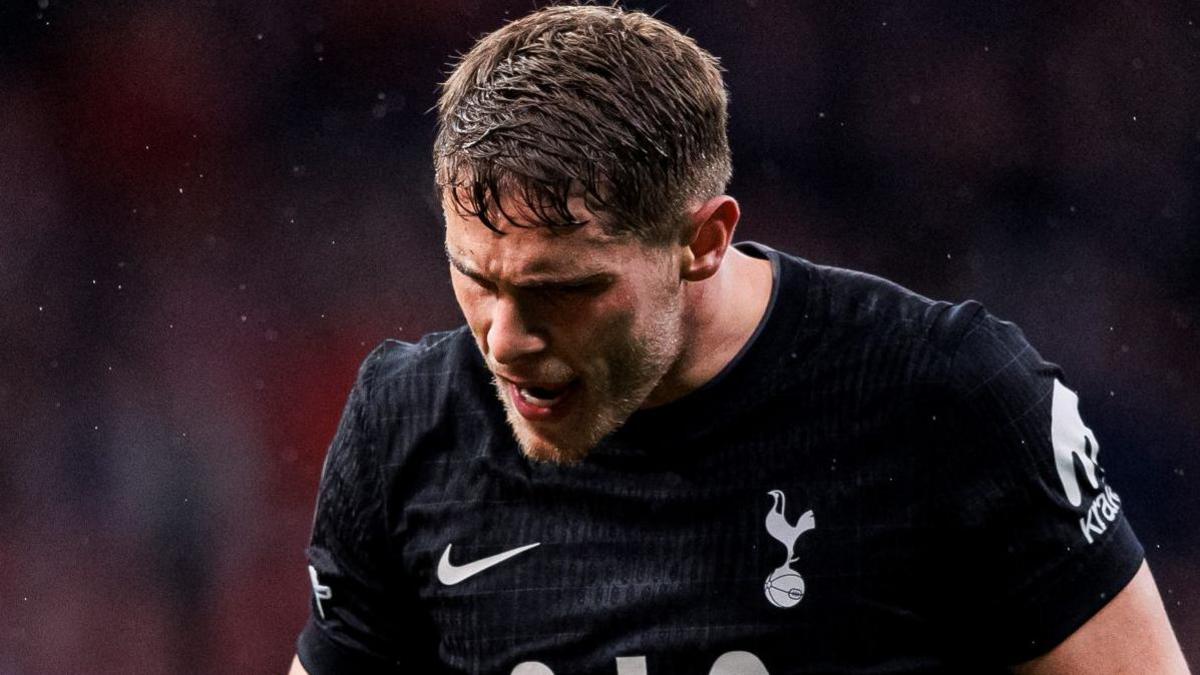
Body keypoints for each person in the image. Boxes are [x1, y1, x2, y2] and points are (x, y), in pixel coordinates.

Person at [290, 5, 1190, 674]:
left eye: (563, 290)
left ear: (703, 239)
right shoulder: (405, 427)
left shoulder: (948, 396)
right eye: (476, 279)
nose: (507, 338)